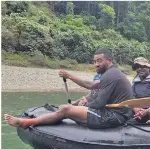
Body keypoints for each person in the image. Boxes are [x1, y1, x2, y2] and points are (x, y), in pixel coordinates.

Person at [4, 48, 134, 129]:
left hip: (115, 116)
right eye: (94, 61)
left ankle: (26, 123)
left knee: (66, 109)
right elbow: (92, 86)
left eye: (99, 61)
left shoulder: (111, 75)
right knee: (79, 102)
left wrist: (86, 104)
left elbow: (99, 104)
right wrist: (81, 101)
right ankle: (64, 113)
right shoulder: (111, 73)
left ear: (109, 60)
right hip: (113, 112)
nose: (96, 64)